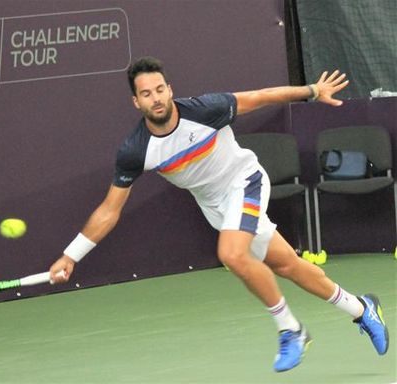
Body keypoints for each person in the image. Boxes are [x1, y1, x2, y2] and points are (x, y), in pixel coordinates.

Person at [49, 56, 389, 372]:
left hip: (246, 182)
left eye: (160, 89)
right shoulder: (136, 150)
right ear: (136, 102)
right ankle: (362, 309)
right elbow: (110, 210)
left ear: (170, 90)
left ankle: (291, 330)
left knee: (230, 253)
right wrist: (71, 255)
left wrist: (312, 90)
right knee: (288, 265)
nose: (155, 98)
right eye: (146, 94)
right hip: (217, 208)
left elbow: (260, 96)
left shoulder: (205, 109)